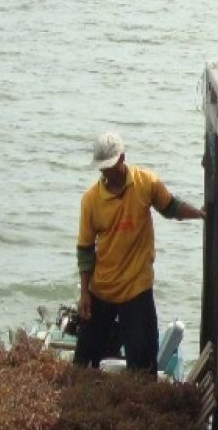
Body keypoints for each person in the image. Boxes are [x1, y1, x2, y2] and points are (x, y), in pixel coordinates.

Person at [75, 133, 205, 371]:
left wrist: (198, 213)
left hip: (137, 287)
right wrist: (84, 294)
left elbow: (171, 207)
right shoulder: (91, 200)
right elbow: (85, 250)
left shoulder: (146, 183)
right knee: (84, 361)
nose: (106, 173)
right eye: (101, 169)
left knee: (143, 362)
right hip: (102, 288)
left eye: (109, 167)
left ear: (122, 158)